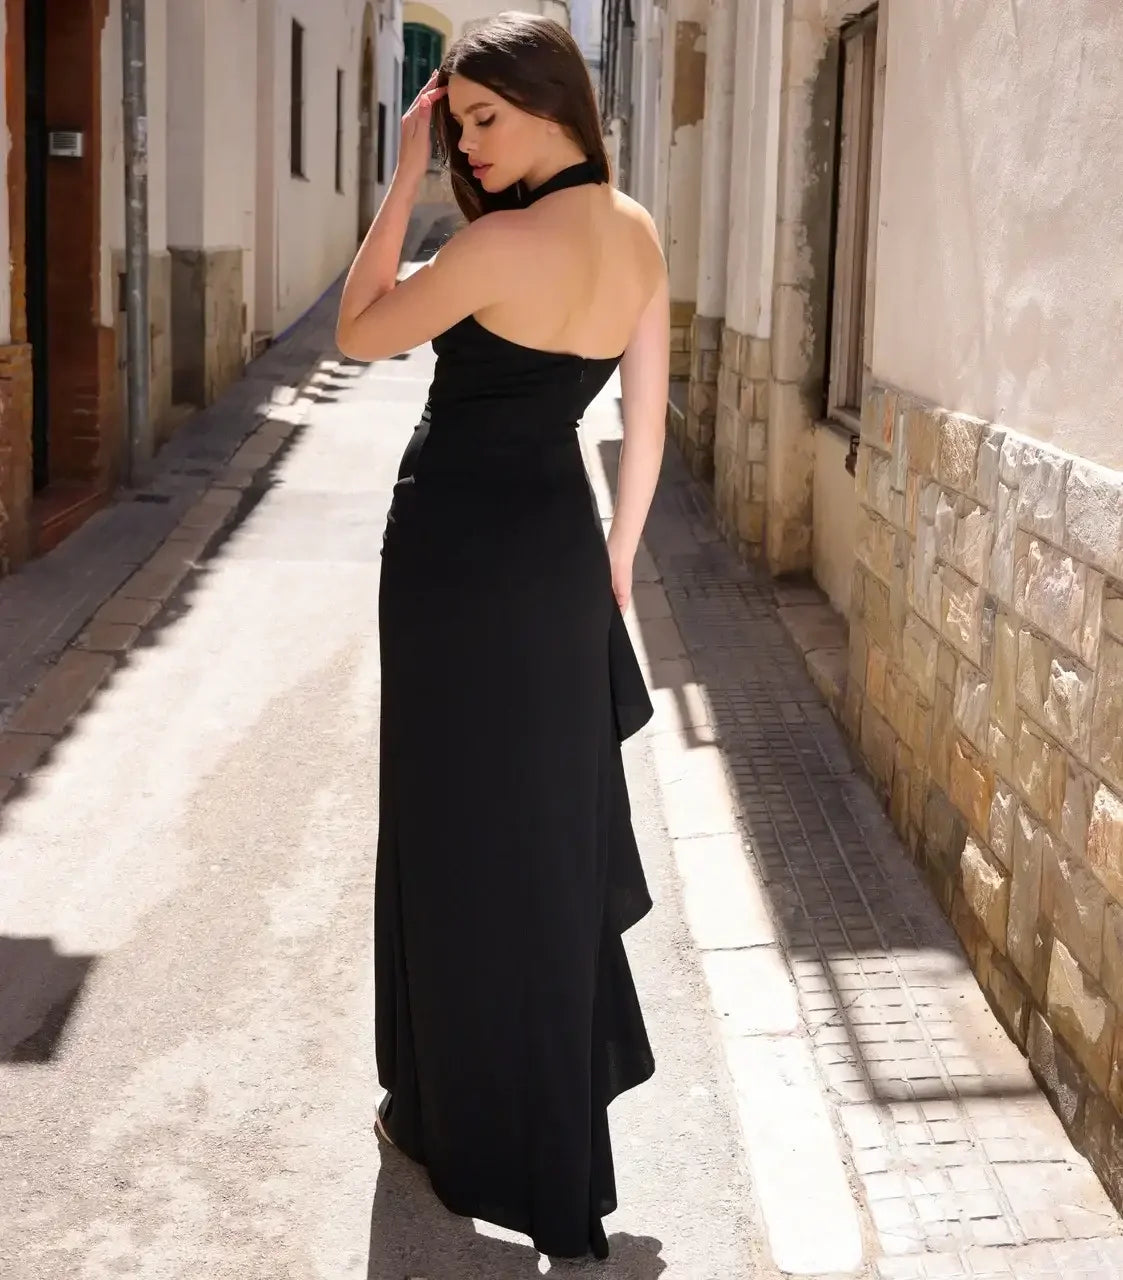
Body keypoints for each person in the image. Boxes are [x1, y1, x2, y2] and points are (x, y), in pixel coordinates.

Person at [335, 11, 669, 1262]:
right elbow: (646, 417)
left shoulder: (500, 246)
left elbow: (358, 326)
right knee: (545, 843)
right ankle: (542, 1144)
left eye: (480, 119)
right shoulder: (634, 233)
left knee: (443, 826)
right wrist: (618, 564)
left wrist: (404, 184)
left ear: (549, 102)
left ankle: (442, 1107)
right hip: (559, 556)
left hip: (450, 559)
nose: (466, 144)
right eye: (453, 127)